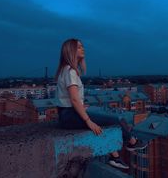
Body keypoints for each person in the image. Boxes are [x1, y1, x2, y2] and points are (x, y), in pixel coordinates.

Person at [55, 38, 147, 170]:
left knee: (101, 126)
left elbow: (70, 99)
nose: (83, 48)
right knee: (115, 120)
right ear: (70, 51)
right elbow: (74, 99)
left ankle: (115, 157)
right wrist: (88, 120)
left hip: (67, 114)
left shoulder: (66, 70)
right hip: (69, 115)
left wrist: (82, 107)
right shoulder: (71, 71)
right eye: (79, 47)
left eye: (82, 46)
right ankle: (132, 142)